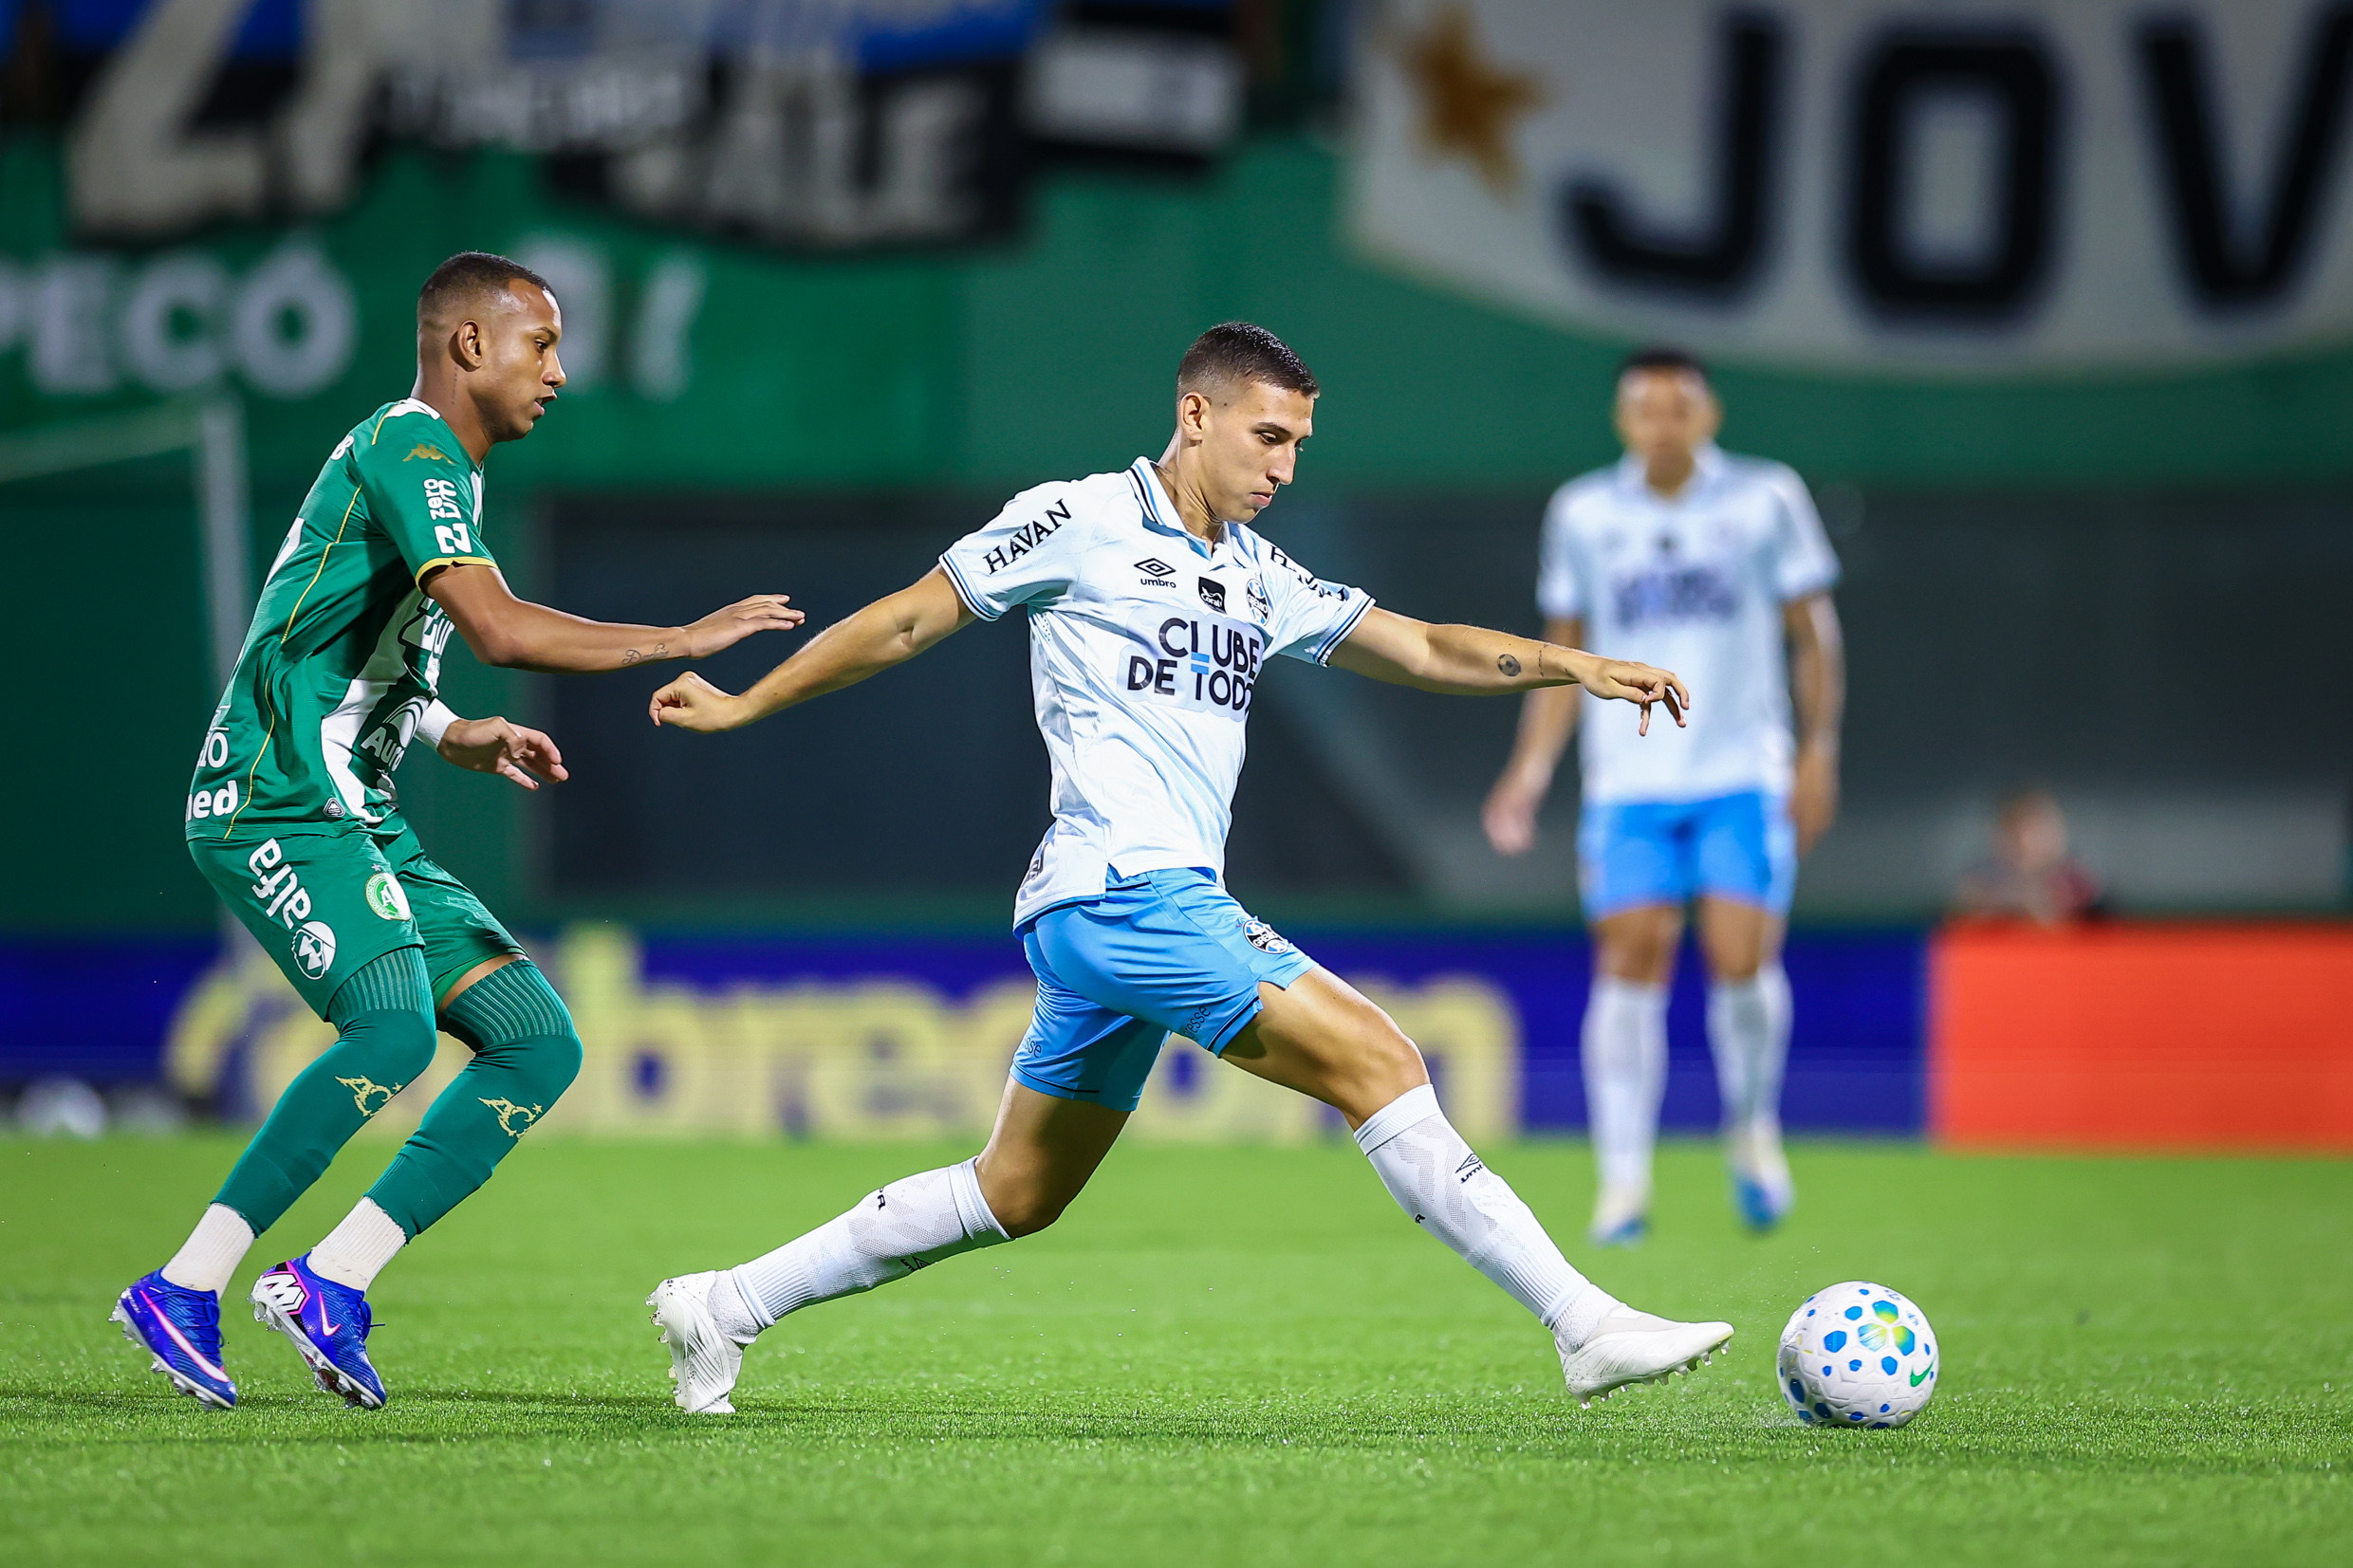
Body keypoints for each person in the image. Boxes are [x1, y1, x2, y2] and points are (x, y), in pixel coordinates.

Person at [637, 323, 1732, 1416]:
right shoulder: (1077, 519)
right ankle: (1582, 1325)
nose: (1283, 467)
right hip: (1126, 890)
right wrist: (747, 703)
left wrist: (1570, 665)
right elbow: (906, 623)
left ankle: (722, 1305)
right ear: (1194, 416)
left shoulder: (1258, 573)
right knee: (1378, 1058)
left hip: (1115, 910)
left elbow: (1421, 647)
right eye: (1266, 437)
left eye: (1298, 444)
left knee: (1013, 1191)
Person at [114, 252, 803, 1411]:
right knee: (388, 1033)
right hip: (275, 788)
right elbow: (498, 627)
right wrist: (677, 634)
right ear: (469, 346)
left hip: (353, 803)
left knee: (536, 1040)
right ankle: (186, 1287)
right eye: (542, 344)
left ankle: (333, 1280)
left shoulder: (441, 477)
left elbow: (343, 639)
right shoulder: (409, 444)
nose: (560, 370)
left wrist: (445, 732)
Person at [1481, 347, 1843, 1245]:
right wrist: (1529, 770)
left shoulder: (1766, 499)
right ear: (1623, 421)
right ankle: (1624, 1184)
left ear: (1709, 415)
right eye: (1646, 408)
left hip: (1739, 772)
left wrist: (1819, 749)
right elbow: (1563, 653)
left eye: (1680, 407)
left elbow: (1813, 634)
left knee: (1741, 956)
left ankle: (1753, 1129)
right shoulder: (1586, 513)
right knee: (1628, 961)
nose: (1663, 423)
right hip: (1629, 781)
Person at [1953, 789, 2104, 924]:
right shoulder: (1984, 879)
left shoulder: (2073, 879)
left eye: (2043, 830)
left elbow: (2092, 926)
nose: (2037, 841)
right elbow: (1965, 920)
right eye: (2021, 832)